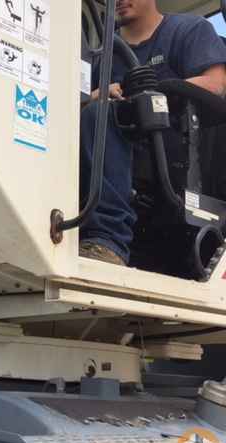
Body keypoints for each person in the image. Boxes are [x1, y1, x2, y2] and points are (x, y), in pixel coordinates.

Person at [79, 0, 226, 266]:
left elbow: (216, 83)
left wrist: (144, 94)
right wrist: (98, 95)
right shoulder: (104, 53)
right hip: (112, 147)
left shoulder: (189, 29)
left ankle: (107, 239)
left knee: (99, 116)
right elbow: (81, 104)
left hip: (167, 150)